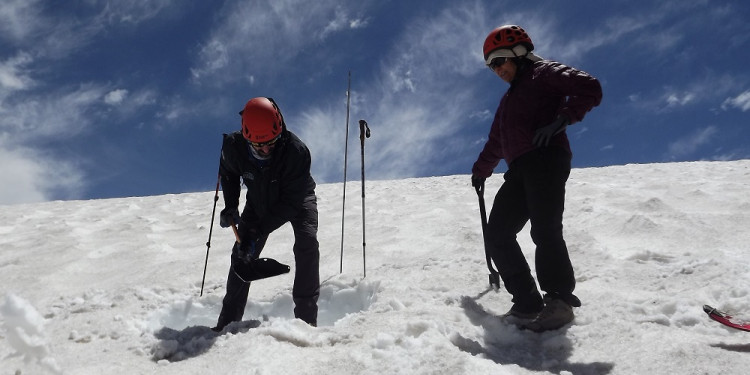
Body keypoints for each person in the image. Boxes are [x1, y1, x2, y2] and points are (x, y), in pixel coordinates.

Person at [471, 25, 602, 332]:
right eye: (491, 65)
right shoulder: (507, 102)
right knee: (498, 234)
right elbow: (496, 142)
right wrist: (481, 169)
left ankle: (559, 302)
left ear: (519, 53)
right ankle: (527, 302)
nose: (497, 69)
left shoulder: (543, 73)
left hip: (546, 158)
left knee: (544, 230)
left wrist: (562, 120)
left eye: (500, 60)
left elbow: (590, 88)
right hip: (518, 169)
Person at [213, 97, 320, 331]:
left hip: (297, 197)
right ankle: (228, 322)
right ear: (246, 137)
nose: (265, 149)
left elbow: (291, 203)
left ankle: (306, 320)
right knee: (241, 255)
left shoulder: (297, 152)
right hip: (258, 198)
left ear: (279, 128)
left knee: (307, 242)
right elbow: (229, 173)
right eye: (258, 145)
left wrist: (256, 231)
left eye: (271, 143)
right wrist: (231, 205)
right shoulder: (234, 147)